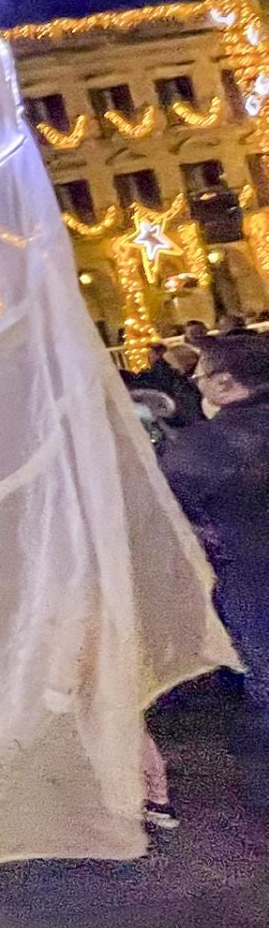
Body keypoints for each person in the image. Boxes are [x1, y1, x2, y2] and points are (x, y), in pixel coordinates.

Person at [158, 334, 269, 805]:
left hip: (253, 576)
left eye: (199, 374)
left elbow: (164, 509)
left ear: (224, 383)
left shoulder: (210, 444)